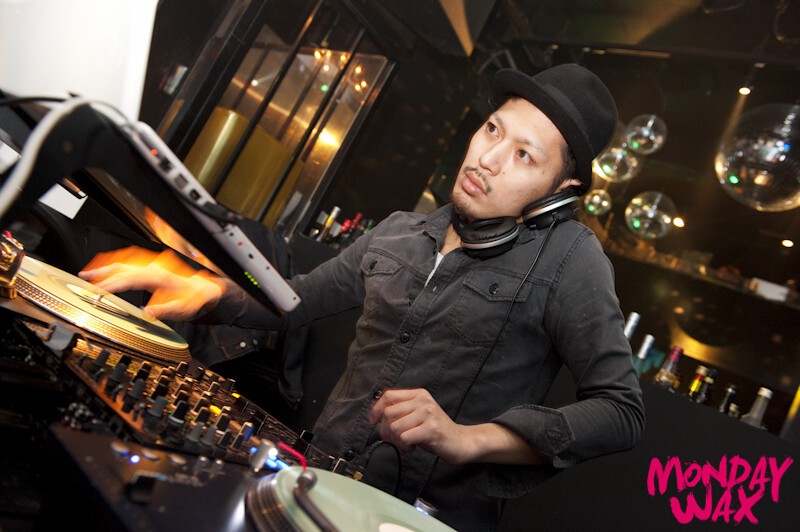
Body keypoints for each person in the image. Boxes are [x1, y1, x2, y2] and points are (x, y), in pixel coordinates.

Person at [79, 64, 645, 531]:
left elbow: (620, 410)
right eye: (493, 130)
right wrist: (209, 288)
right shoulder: (399, 231)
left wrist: (467, 439)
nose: (488, 159)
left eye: (525, 155)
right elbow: (294, 303)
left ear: (559, 193)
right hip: (314, 488)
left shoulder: (571, 259)